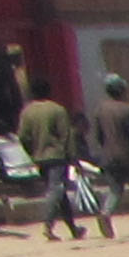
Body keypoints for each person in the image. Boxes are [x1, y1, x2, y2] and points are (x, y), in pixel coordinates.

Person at [16, 77, 84, 240]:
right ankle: (48, 225)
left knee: (59, 193)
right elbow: (67, 136)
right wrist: (73, 158)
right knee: (56, 190)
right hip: (57, 156)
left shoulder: (27, 112)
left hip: (39, 157)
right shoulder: (57, 110)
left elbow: (23, 136)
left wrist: (32, 152)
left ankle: (73, 228)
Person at [86, 73, 129, 237]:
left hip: (108, 156)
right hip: (128, 156)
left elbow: (99, 136)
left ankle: (106, 212)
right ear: (122, 90)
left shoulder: (100, 110)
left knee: (115, 189)